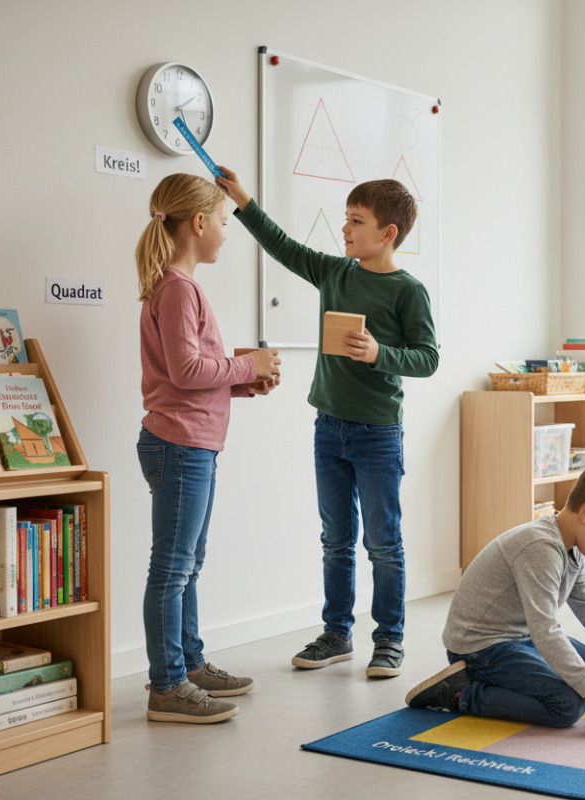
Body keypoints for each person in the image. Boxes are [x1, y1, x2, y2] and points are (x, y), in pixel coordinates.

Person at [215, 167, 439, 679]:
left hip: (378, 433)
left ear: (388, 233)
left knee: (383, 543)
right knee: (335, 539)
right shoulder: (335, 273)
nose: (345, 229)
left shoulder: (408, 291)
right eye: (346, 219)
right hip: (329, 427)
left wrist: (380, 353)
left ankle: (389, 640)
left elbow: (428, 358)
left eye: (356, 221)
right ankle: (336, 634)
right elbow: (283, 246)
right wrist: (243, 199)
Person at [136, 173, 281, 724]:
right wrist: (247, 365)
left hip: (190, 443)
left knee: (187, 565)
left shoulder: (178, 286)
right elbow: (186, 370)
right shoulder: (178, 288)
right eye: (223, 221)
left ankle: (189, 665)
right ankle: (167, 685)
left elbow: (190, 375)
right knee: (173, 568)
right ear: (198, 223)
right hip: (179, 446)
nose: (226, 230)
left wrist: (246, 382)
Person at [404, 462, 585, 729]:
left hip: (522, 638)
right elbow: (546, 631)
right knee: (568, 705)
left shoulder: (572, 547)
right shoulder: (540, 548)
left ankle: (508, 681)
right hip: (480, 646)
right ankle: (460, 694)